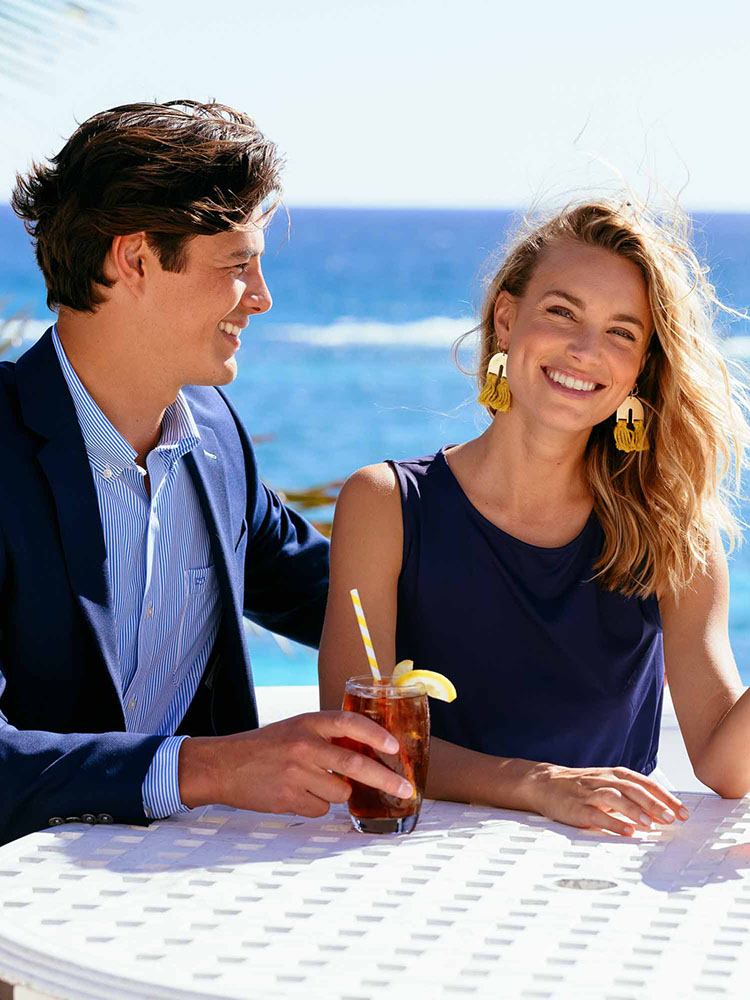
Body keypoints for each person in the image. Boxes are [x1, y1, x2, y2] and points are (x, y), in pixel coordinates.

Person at [0, 100, 413, 846]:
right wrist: (210, 770)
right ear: (134, 260)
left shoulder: (217, 437)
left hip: (187, 891)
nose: (261, 297)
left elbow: (343, 594)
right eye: (236, 265)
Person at [319, 199, 750, 837]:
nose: (584, 350)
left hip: (603, 872)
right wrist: (538, 784)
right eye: (561, 313)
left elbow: (726, 761)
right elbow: (364, 744)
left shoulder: (671, 531)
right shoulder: (384, 504)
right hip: (407, 867)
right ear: (507, 317)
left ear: (639, 371)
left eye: (622, 333)